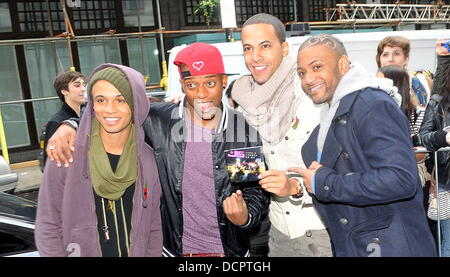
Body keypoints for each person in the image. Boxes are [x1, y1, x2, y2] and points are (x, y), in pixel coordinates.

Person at [45, 43, 269, 257]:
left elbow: (254, 190)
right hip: (172, 250)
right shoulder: (159, 121)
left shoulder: (242, 130)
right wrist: (70, 125)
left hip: (230, 252)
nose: (201, 94)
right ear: (182, 85)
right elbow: (113, 115)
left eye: (210, 83)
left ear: (223, 81)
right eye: (192, 85)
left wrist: (246, 216)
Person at [290, 34, 436, 257]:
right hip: (359, 243)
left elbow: (401, 179)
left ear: (342, 64)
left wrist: (325, 183)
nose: (308, 79)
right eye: (302, 73)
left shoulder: (372, 105)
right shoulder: (333, 113)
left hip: (387, 246)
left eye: (317, 67)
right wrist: (299, 187)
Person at [35, 64, 163, 257]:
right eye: (101, 100)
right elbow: (48, 224)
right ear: (92, 104)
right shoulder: (66, 153)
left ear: (135, 103)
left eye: (121, 100)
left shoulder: (147, 159)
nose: (110, 109)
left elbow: (153, 226)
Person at [231, 13, 330, 257]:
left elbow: (346, 166)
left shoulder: (312, 94)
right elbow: (246, 174)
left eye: (265, 46)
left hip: (320, 229)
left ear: (284, 48)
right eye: (248, 48)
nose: (256, 57)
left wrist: (295, 188)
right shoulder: (243, 101)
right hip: (277, 234)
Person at [419, 39, 450, 257]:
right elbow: (423, 137)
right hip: (447, 182)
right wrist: (445, 137)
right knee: (448, 242)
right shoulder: (439, 101)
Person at [42, 70, 86, 168]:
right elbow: (50, 163)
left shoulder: (87, 115)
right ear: (64, 91)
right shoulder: (56, 122)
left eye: (84, 84)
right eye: (77, 85)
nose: (83, 89)